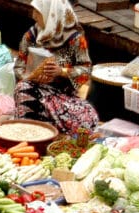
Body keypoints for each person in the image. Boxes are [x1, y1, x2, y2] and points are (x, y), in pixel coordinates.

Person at [13, 0, 99, 134]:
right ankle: (30, 131)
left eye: (38, 12)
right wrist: (31, 76)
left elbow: (86, 71)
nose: (33, 16)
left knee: (87, 118)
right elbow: (18, 67)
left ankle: (45, 125)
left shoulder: (74, 39)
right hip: (34, 89)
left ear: (51, 14)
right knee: (22, 89)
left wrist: (62, 72)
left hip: (63, 96)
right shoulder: (31, 36)